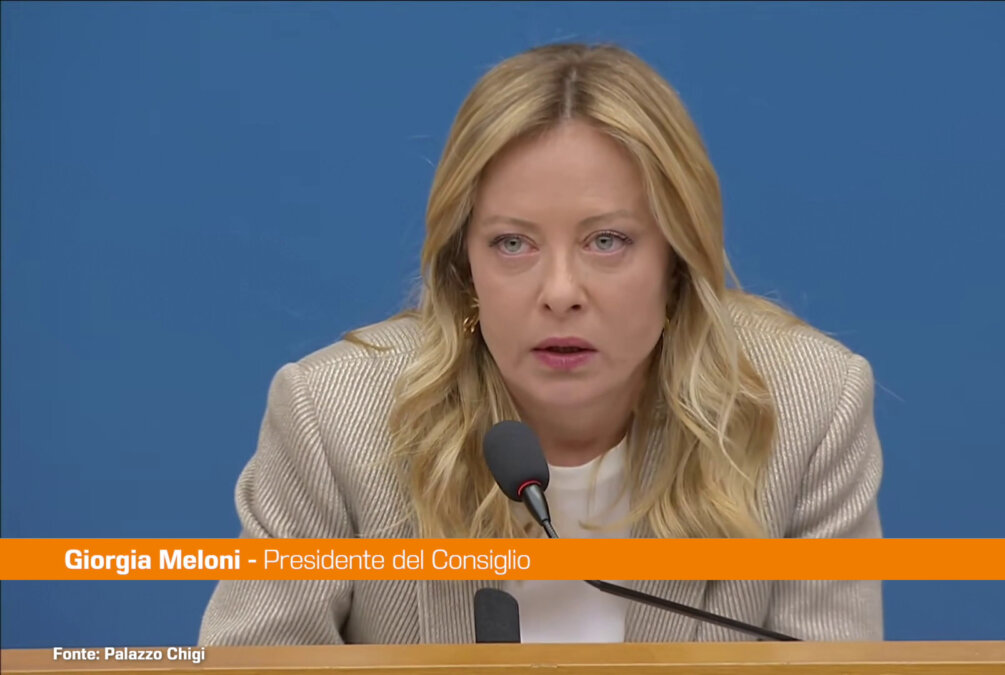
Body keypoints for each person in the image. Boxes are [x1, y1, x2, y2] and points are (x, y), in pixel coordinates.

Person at [199, 42, 884, 645]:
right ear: (464, 267)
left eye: (606, 241)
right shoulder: (334, 419)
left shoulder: (806, 409)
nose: (560, 292)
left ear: (677, 261)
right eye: (513, 243)